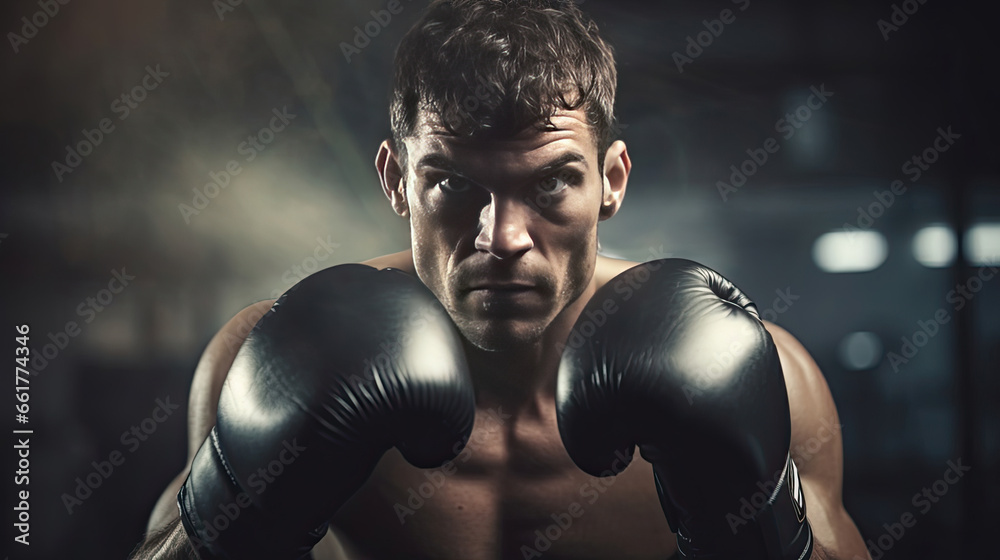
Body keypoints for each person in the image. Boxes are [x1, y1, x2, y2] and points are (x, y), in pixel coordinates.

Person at [131, 1, 868, 558]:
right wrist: (239, 508)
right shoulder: (270, 360)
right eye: (454, 185)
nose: (503, 237)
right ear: (397, 182)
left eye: (550, 185)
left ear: (611, 181)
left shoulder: (765, 375)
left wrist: (758, 521)